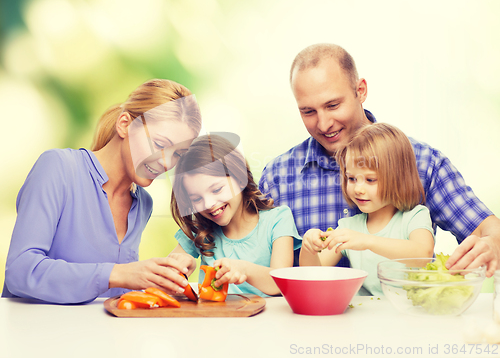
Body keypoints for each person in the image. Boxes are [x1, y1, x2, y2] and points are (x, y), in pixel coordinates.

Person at [259, 43, 499, 277]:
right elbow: (253, 261)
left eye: (333, 105)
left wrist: (493, 244)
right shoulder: (278, 176)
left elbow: (485, 230)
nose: (323, 124)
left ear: (360, 90)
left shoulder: (423, 162)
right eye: (308, 111)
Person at [2, 79, 202, 304]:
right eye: (159, 144)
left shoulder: (142, 203)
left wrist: (162, 279)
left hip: (101, 338)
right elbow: (20, 271)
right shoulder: (59, 168)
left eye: (177, 154)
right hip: (36, 335)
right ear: (125, 124)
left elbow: (109, 295)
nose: (166, 163)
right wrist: (119, 274)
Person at [299, 123, 435, 295]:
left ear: (398, 179)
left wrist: (368, 241)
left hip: (409, 313)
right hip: (365, 317)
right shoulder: (349, 228)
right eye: (352, 178)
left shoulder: (414, 217)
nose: (358, 189)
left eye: (370, 180)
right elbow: (313, 274)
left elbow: (423, 255)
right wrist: (308, 247)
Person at [170, 133, 301, 297]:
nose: (209, 204)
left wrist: (244, 269)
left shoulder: (278, 219)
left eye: (217, 189)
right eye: (196, 198)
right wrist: (179, 269)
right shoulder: (200, 228)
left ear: (240, 178)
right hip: (214, 320)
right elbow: (164, 278)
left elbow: (281, 283)